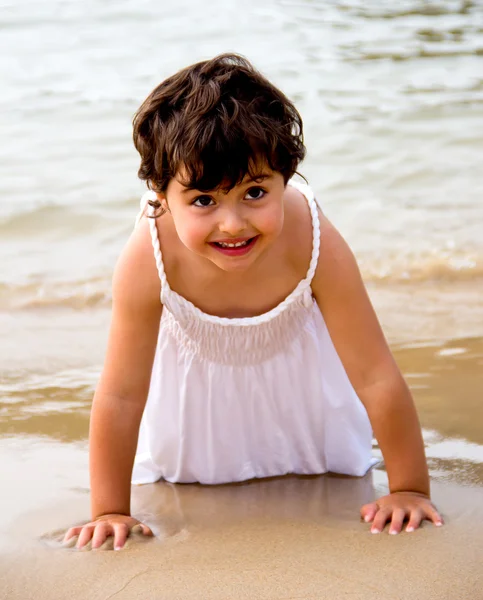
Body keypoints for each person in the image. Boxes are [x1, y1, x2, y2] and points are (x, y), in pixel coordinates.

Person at [64, 54, 443, 551]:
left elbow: (374, 373)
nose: (233, 223)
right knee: (196, 485)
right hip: (199, 428)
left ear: (287, 176)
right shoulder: (149, 253)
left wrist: (408, 487)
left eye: (255, 191)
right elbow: (121, 394)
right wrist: (109, 509)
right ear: (160, 194)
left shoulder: (310, 236)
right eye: (203, 200)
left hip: (307, 417)